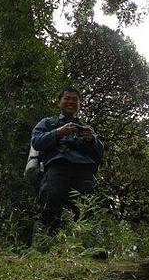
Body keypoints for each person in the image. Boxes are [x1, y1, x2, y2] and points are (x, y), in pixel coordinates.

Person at [31, 87, 104, 239]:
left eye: (74, 100)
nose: (71, 102)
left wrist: (92, 139)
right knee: (51, 201)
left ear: (79, 104)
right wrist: (58, 132)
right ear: (59, 102)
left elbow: (100, 153)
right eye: (67, 98)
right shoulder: (48, 123)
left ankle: (88, 247)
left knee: (86, 206)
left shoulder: (86, 128)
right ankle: (43, 244)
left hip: (83, 169)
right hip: (57, 166)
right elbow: (36, 142)